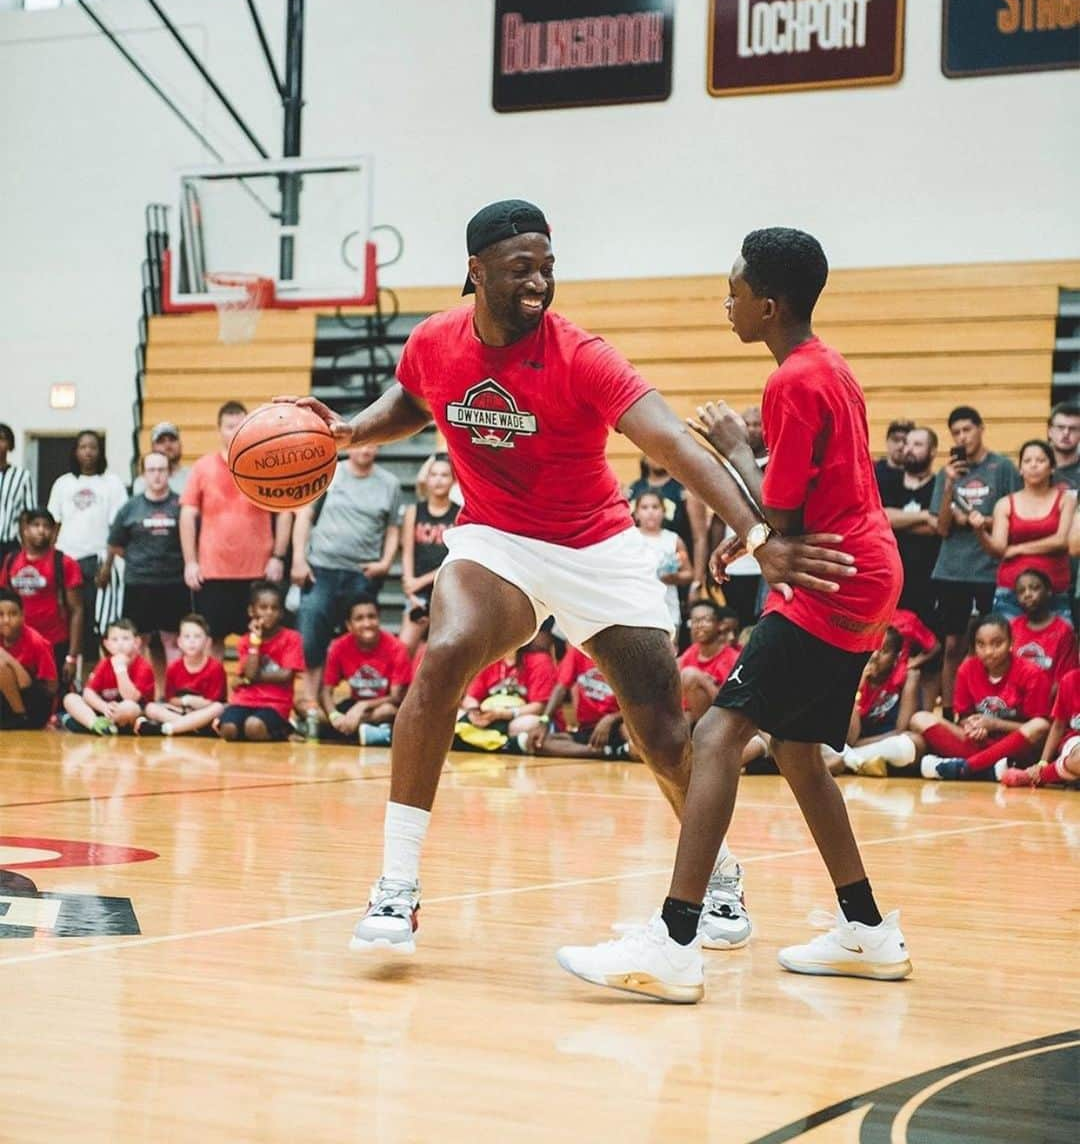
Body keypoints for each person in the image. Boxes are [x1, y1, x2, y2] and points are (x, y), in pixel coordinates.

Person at [280, 201, 853, 959]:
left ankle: (717, 873)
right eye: (522, 269)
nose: (540, 283)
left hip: (597, 548)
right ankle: (395, 889)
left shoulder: (582, 354)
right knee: (445, 651)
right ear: (476, 272)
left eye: (548, 267)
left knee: (660, 731)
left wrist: (752, 533)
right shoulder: (433, 341)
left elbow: (675, 444)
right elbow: (414, 400)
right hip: (497, 542)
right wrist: (355, 427)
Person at [558, 227, 909, 1003]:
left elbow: (779, 514)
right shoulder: (829, 367)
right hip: (863, 568)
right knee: (796, 752)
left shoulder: (790, 382)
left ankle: (677, 938)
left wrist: (730, 451)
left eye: (735, 288)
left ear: (769, 303)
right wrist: (743, 542)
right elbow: (784, 517)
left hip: (830, 576)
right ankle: (868, 929)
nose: (727, 299)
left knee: (715, 735)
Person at [292, 444, 402, 713]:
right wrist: (298, 559)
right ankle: (310, 700)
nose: (365, 449)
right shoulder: (329, 473)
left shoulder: (390, 484)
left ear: (378, 447)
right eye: (360, 443)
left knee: (362, 638)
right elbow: (304, 515)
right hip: (321, 569)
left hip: (361, 573)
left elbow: (393, 528)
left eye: (371, 443)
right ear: (349, 447)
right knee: (312, 635)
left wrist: (386, 562)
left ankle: (363, 700)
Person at [930, 407, 1021, 718]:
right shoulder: (947, 473)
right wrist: (949, 486)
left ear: (981, 429)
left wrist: (984, 520)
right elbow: (941, 527)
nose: (962, 437)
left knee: (990, 644)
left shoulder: (1002, 467)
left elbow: (1016, 513)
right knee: (953, 644)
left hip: (990, 569)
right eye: (956, 433)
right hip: (952, 570)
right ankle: (950, 711)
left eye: (967, 430)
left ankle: (991, 710)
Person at [180, 403, 291, 657]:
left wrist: (277, 557)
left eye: (241, 426)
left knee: (257, 636)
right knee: (212, 640)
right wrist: (190, 562)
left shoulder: (267, 464)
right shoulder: (203, 466)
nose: (235, 431)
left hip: (257, 569)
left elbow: (285, 512)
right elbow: (187, 514)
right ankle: (214, 695)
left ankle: (253, 695)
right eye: (230, 427)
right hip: (213, 570)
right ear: (219, 430)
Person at [912, 614, 1050, 781]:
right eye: (981, 644)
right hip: (981, 745)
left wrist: (995, 724)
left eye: (997, 643)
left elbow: (1040, 729)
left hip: (1014, 747)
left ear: (1011, 643)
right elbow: (963, 717)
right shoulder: (967, 669)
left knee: (1040, 726)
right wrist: (973, 727)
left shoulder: (1032, 674)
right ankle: (987, 770)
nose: (988, 652)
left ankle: (966, 768)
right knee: (919, 719)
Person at [102, 451, 188, 694]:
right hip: (139, 584)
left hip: (174, 583)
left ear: (169, 472)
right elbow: (115, 544)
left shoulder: (181, 505)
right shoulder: (130, 508)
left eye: (162, 469)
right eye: (152, 470)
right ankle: (136, 694)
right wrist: (140, 560)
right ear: (143, 474)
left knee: (173, 642)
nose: (157, 475)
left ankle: (173, 696)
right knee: (137, 642)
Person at [46, 429, 128, 665]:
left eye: (93, 447)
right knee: (70, 620)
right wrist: (50, 563)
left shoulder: (111, 483)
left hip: (99, 560)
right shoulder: (63, 483)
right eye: (83, 447)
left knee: (100, 623)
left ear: (100, 451)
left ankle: (100, 676)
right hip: (67, 560)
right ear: (75, 451)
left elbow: (117, 529)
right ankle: (74, 676)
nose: (88, 452)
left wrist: (109, 565)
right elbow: (55, 525)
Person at [969, 439, 1074, 623]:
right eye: (1027, 461)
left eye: (1040, 461)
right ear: (1020, 469)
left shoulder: (1066, 499)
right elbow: (999, 549)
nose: (1033, 465)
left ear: (1052, 468)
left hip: (1054, 589)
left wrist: (1018, 549)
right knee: (1010, 647)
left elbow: (1061, 541)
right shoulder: (1005, 503)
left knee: (1058, 647)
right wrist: (980, 532)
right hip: (1012, 589)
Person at [0, 508, 83, 684]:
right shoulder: (10, 561)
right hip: (19, 643)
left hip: (55, 643)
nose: (41, 530)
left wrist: (72, 656)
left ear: (53, 532)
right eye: (35, 525)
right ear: (25, 529)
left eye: (46, 526)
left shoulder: (64, 563)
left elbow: (77, 610)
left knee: (54, 699)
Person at [219, 581, 305, 742]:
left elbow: (285, 675)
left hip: (275, 703)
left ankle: (284, 731)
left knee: (254, 727)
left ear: (281, 613)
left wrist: (248, 680)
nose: (269, 613)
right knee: (228, 729)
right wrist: (255, 641)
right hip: (245, 700)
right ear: (252, 611)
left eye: (274, 608)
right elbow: (251, 672)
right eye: (263, 607)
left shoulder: (292, 638)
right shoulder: (246, 640)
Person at [321, 598, 413, 746]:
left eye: (372, 617)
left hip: (382, 705)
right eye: (359, 618)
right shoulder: (339, 647)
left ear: (379, 619)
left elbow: (396, 697)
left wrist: (362, 706)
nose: (367, 623)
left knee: (387, 711)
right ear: (349, 625)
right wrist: (334, 716)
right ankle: (371, 733)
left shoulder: (397, 648)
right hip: (354, 705)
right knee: (316, 714)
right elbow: (325, 691)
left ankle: (350, 731)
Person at [710, 405, 769, 628]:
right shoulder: (728, 466)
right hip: (735, 563)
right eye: (748, 424)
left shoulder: (773, 464)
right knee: (735, 624)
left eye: (757, 424)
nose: (752, 430)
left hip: (765, 559)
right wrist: (714, 553)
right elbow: (717, 518)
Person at [836, 627, 921, 777]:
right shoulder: (856, 673)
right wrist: (858, 685)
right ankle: (857, 761)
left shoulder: (909, 677)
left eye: (884, 651)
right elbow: (851, 737)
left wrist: (858, 746)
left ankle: (849, 760)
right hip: (857, 743)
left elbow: (901, 730)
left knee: (913, 742)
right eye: (872, 648)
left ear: (897, 656)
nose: (875, 655)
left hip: (886, 741)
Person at [879, 427, 940, 626]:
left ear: (932, 451)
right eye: (907, 444)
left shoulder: (939, 485)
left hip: (927, 580)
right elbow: (882, 517)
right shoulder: (889, 480)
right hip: (889, 576)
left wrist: (899, 521)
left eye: (917, 444)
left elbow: (937, 527)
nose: (909, 449)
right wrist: (924, 515)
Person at [399, 453, 459, 655]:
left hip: (448, 590)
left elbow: (456, 558)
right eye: (433, 474)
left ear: (453, 480)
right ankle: (405, 688)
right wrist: (410, 588)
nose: (438, 480)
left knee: (444, 651)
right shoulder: (414, 511)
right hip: (418, 594)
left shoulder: (459, 514)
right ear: (427, 479)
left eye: (444, 475)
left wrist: (421, 581)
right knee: (404, 647)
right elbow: (407, 552)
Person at [525, 646, 630, 759]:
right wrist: (544, 721)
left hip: (618, 724)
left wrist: (611, 719)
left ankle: (619, 750)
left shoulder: (625, 654)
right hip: (587, 728)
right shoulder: (578, 650)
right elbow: (560, 688)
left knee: (631, 737)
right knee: (539, 742)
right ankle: (609, 752)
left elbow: (638, 705)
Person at [61, 617, 155, 735]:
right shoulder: (104, 663)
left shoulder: (143, 666)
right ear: (107, 644)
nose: (120, 644)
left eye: (125, 638)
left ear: (136, 642)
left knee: (130, 707)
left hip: (130, 714)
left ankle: (87, 725)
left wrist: (120, 669)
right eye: (115, 640)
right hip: (106, 711)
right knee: (70, 698)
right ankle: (96, 725)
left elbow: (131, 698)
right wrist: (104, 707)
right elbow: (88, 693)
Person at [137, 613, 227, 737]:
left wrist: (194, 703)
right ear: (179, 642)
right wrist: (187, 701)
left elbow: (214, 702)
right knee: (151, 708)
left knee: (218, 708)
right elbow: (170, 700)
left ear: (208, 642)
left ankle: (165, 728)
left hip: (204, 713)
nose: (192, 641)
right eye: (187, 637)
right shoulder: (174, 667)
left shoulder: (215, 668)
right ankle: (193, 728)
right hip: (181, 712)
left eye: (197, 637)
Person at [455, 645, 558, 752]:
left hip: (516, 717)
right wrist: (474, 711)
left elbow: (539, 706)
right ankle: (509, 745)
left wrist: (504, 713)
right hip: (487, 717)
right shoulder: (487, 659)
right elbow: (471, 697)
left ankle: (474, 742)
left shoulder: (540, 660)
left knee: (532, 722)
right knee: (456, 716)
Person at [1001, 665, 1080, 787]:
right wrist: (1043, 762)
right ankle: (1040, 776)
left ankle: (1043, 776)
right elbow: (1058, 726)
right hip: (1076, 743)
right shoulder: (1069, 680)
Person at [634, 489, 693, 636]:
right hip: (636, 607)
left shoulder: (674, 540)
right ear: (636, 513)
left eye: (655, 507)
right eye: (645, 507)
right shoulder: (629, 537)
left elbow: (688, 573)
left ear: (664, 511)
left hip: (668, 607)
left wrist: (675, 578)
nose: (650, 512)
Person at [0, 588, 58, 730]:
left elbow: (52, 688)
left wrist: (9, 659)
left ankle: (21, 717)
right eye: (0, 615)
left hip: (35, 703)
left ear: (23, 615)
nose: (6, 620)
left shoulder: (36, 641)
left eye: (13, 614)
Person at [1009, 569, 1076, 689]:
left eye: (1034, 588)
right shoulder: (1013, 626)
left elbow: (1064, 679)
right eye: (1021, 591)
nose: (1027, 594)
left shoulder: (1063, 630)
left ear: (1048, 591)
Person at [678, 599, 739, 723]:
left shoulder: (732, 657)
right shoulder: (690, 653)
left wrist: (703, 681)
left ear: (720, 624)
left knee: (690, 675)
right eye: (695, 621)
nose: (699, 625)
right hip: (694, 718)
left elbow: (731, 705)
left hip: (723, 721)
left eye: (706, 619)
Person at [0, 423, 35, 559]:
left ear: (10, 444)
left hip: (9, 544)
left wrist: (28, 547)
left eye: (2, 439)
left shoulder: (22, 476)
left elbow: (28, 514)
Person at [133, 422, 190, 496]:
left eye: (172, 440)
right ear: (153, 447)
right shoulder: (143, 482)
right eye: (161, 441)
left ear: (180, 445)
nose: (168, 445)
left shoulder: (193, 477)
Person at [874, 419, 914, 497]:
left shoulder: (918, 475)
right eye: (896, 440)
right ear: (887, 441)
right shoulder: (873, 473)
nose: (901, 445)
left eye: (906, 441)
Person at [1046, 402, 1080, 490]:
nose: (1066, 433)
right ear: (1049, 431)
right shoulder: (1033, 468)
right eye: (1060, 427)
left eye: (1073, 428)